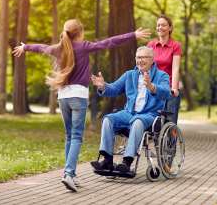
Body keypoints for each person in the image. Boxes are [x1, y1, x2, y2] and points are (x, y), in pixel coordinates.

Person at [12, 19, 150, 192]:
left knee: (70, 136)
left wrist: (26, 47)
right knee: (76, 136)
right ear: (80, 33)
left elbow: (41, 48)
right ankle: (68, 173)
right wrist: (133, 35)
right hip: (78, 96)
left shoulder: (58, 48)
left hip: (63, 97)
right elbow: (108, 42)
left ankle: (72, 174)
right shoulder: (83, 46)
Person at [90, 46, 170, 173]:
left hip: (149, 115)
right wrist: (103, 86)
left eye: (144, 57)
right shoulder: (129, 75)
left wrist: (151, 86)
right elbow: (114, 89)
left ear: (152, 60)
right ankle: (107, 160)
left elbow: (166, 93)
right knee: (108, 119)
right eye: (138, 57)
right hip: (129, 113)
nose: (140, 60)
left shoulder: (162, 76)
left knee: (137, 121)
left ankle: (127, 162)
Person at [147, 14, 182, 124]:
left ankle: (171, 141)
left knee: (170, 122)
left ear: (170, 28)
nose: (160, 27)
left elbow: (175, 68)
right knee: (151, 121)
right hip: (154, 87)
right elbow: (145, 67)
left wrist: (174, 88)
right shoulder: (151, 45)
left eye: (163, 25)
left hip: (169, 88)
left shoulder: (175, 46)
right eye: (158, 25)